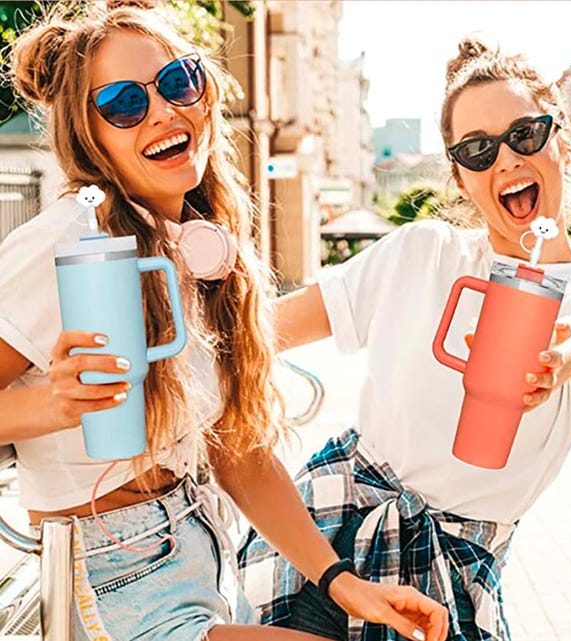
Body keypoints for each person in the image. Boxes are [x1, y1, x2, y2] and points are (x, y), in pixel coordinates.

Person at [0, 3, 449, 641]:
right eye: (125, 103)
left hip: (205, 559)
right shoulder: (68, 241)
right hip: (110, 584)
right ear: (88, 136)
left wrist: (344, 583)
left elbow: (236, 451)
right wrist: (52, 404)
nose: (162, 111)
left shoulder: (198, 245)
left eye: (178, 81)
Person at [238, 38, 571, 641]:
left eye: (525, 135)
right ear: (458, 175)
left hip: (454, 569)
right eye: (477, 150)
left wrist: (559, 357)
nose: (505, 160)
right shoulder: (421, 252)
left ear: (560, 135)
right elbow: (265, 330)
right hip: (330, 527)